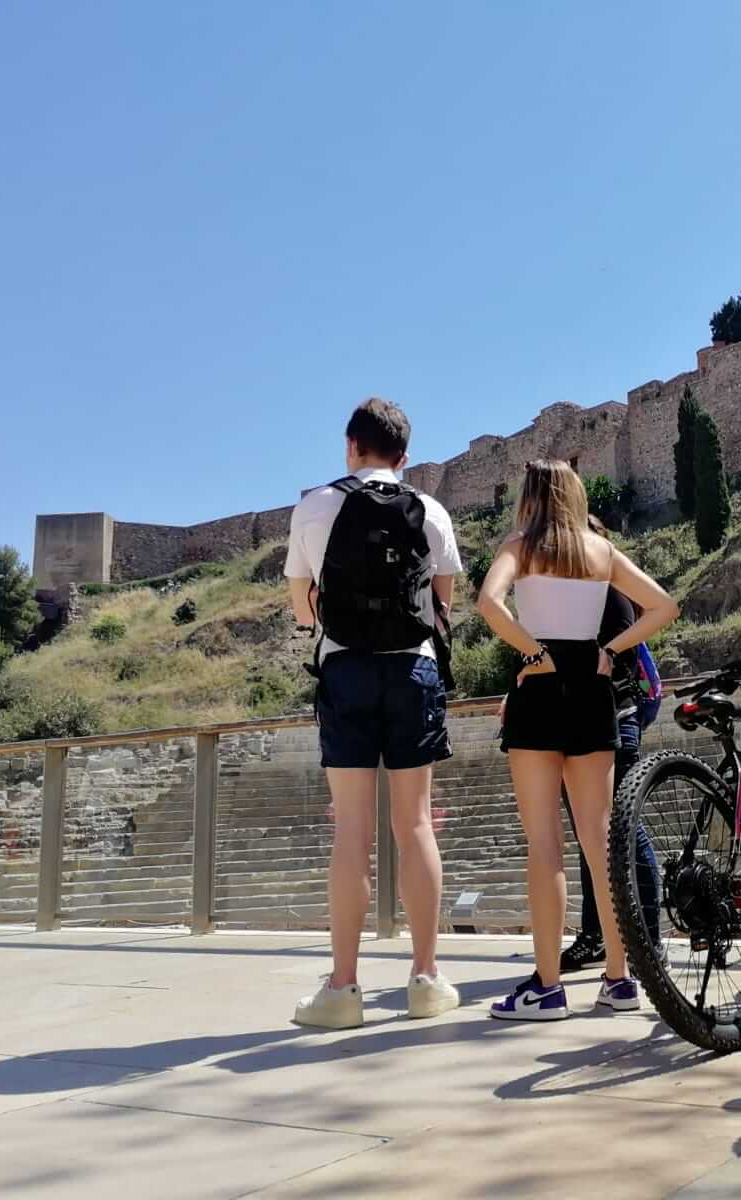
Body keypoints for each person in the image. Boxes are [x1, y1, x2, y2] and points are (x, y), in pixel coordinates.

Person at [284, 397, 463, 1028]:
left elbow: (304, 610)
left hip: (346, 668)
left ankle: (342, 989)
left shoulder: (314, 505)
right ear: (405, 458)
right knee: (414, 824)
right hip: (412, 669)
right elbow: (443, 607)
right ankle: (425, 979)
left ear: (350, 446)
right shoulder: (433, 511)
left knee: (352, 830)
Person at [477, 461, 678, 1020]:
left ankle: (546, 988)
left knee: (545, 845)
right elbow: (665, 605)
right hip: (594, 688)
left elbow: (488, 604)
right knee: (601, 844)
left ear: (530, 496)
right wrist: (611, 652)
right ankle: (619, 978)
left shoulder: (520, 546)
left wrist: (533, 653)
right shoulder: (600, 552)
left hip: (540, 690)